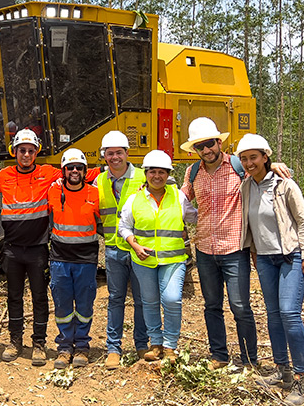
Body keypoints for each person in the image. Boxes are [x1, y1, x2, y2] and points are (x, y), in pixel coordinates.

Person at [181, 117, 277, 370]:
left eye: (210, 143)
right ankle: (219, 355)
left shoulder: (237, 165)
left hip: (234, 248)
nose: (206, 150)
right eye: (200, 146)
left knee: (240, 306)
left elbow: (260, 171)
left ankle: (248, 359)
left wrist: (275, 165)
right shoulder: (192, 173)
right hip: (204, 249)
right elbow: (179, 201)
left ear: (218, 142)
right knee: (212, 305)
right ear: (195, 150)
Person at [236, 134, 304, 406]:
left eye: (254, 157)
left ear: (265, 156)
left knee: (289, 314)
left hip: (291, 256)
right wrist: (255, 251)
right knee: (272, 315)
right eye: (244, 159)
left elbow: (303, 221)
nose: (249, 163)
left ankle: (301, 379)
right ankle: (282, 369)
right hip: (266, 259)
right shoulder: (247, 186)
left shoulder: (285, 184)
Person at [0, 128, 60, 366]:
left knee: (39, 297)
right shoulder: (3, 176)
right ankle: (15, 341)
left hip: (37, 249)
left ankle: (39, 343)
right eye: (21, 150)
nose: (26, 155)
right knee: (14, 297)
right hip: (13, 250)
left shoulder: (48, 173)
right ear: (14, 152)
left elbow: (79, 174)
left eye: (30, 151)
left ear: (36, 152)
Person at [118, 150, 197, 363]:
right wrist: (134, 245)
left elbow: (195, 217)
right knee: (150, 301)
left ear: (168, 174)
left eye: (162, 172)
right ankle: (156, 343)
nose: (157, 176)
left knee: (171, 299)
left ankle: (170, 345)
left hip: (173, 260)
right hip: (144, 261)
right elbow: (123, 227)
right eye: (152, 171)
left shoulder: (178, 197)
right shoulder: (134, 199)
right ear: (146, 174)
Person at [95, 130, 149, 370]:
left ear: (127, 153)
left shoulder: (143, 177)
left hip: (139, 249)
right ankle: (113, 349)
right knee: (115, 299)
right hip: (114, 250)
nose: (114, 157)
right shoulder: (98, 181)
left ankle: (141, 344)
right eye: (110, 153)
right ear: (104, 156)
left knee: (141, 299)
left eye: (119, 152)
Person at [47, 149, 101, 369]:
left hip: (86, 258)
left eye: (79, 167)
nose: (75, 171)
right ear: (64, 171)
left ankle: (82, 346)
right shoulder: (53, 191)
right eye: (70, 168)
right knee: (62, 305)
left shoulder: (95, 193)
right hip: (60, 258)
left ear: (85, 171)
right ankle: (64, 347)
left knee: (85, 304)